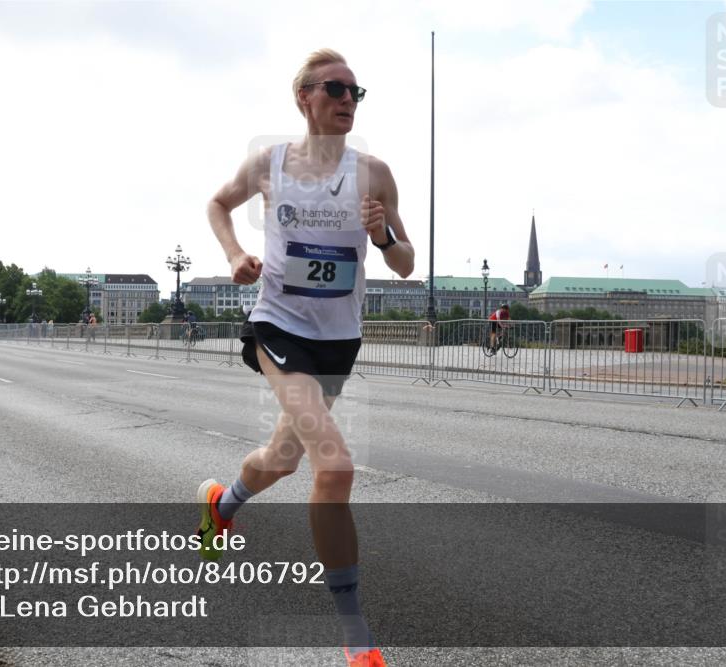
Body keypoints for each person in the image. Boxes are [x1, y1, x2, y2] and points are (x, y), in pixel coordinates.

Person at [199, 49, 413, 667]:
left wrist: (383, 236)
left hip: (338, 338)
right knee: (336, 465)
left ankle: (222, 504)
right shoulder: (269, 165)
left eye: (356, 92)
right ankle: (357, 638)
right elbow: (217, 203)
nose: (347, 100)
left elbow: (405, 264)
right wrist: (236, 252)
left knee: (284, 459)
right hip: (279, 324)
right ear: (304, 97)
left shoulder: (373, 173)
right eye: (335, 89)